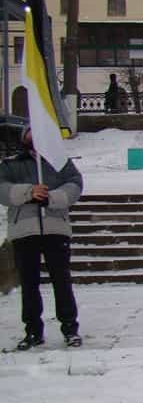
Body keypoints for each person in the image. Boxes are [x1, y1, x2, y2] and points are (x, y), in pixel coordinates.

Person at [0, 127, 84, 350]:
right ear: (23, 139)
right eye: (29, 134)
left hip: (55, 228)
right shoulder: (11, 164)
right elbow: (2, 189)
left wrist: (52, 197)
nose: (33, 138)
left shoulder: (59, 162)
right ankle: (33, 331)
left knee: (62, 282)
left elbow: (75, 183)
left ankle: (70, 328)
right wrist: (29, 192)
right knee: (29, 284)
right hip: (24, 231)